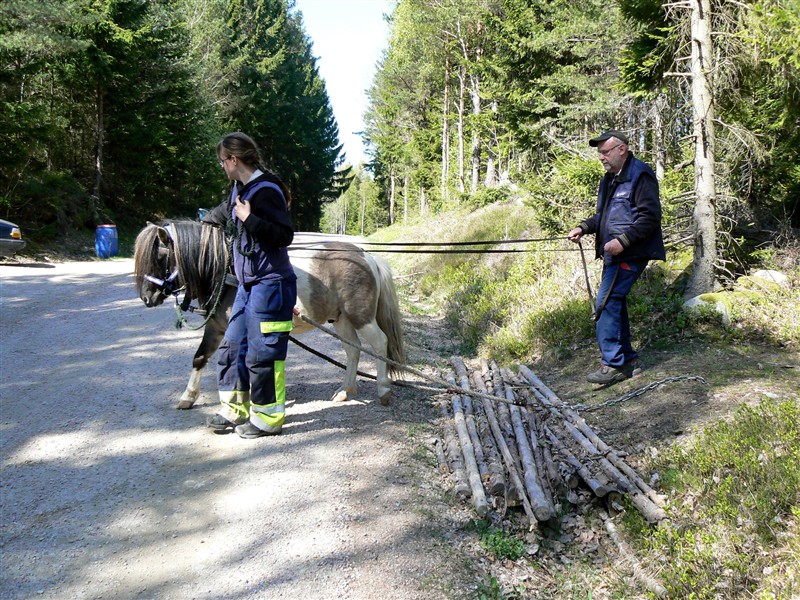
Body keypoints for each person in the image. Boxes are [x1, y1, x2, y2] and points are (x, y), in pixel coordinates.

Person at [201, 132, 297, 438]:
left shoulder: (267, 190)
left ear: (233, 159)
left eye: (221, 161)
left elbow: (284, 236)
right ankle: (234, 409)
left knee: (262, 353)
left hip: (271, 284)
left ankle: (268, 419)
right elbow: (222, 214)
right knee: (232, 345)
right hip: (247, 285)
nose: (221, 167)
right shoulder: (239, 189)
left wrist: (250, 218)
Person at [567, 130, 666, 385]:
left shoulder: (640, 175)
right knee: (615, 302)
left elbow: (650, 217)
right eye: (600, 153)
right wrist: (584, 227)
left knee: (606, 304)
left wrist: (622, 241)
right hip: (612, 253)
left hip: (631, 252)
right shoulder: (609, 179)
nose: (601, 157)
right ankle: (628, 361)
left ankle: (612, 363)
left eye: (605, 151)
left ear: (621, 149)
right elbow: (604, 216)